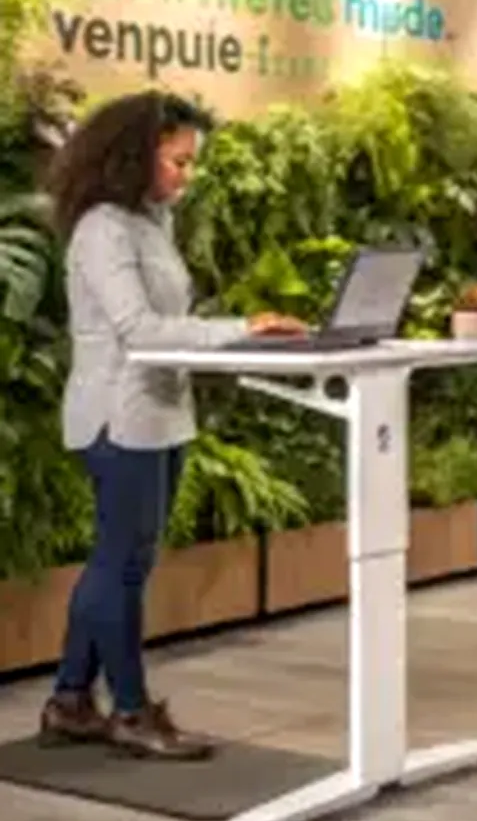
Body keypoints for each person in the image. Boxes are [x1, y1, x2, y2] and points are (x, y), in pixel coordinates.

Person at [39, 91, 306, 759]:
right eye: (178, 161)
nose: (187, 175)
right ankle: (130, 711)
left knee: (123, 558)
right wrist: (241, 330)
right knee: (121, 565)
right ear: (137, 155)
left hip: (160, 411)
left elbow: (170, 322)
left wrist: (244, 334)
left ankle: (71, 700)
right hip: (116, 413)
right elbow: (138, 329)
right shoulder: (103, 227)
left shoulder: (153, 222)